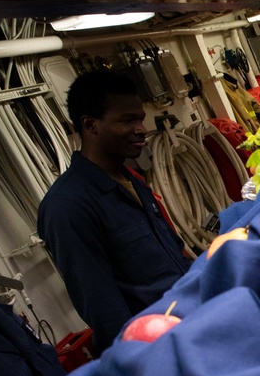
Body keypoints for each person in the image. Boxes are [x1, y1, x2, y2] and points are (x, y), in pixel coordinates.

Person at [38, 71, 191, 354]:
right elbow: (102, 308)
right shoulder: (68, 206)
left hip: (191, 320)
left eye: (140, 118)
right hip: (160, 346)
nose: (141, 128)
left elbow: (174, 256)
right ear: (90, 124)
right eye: (127, 120)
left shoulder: (130, 179)